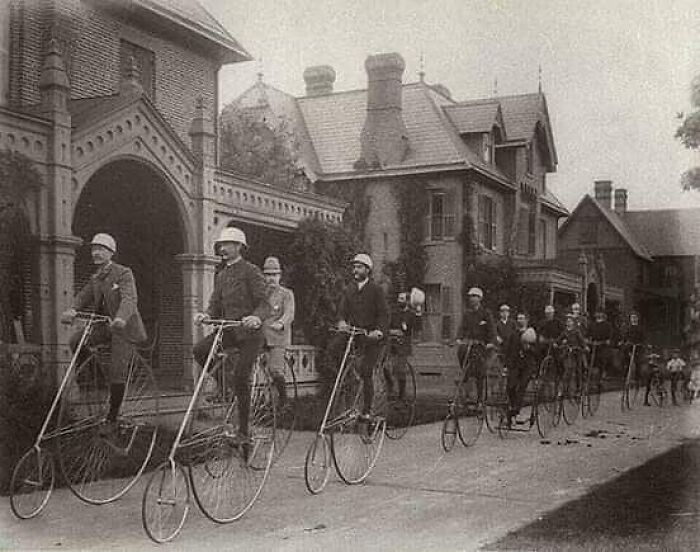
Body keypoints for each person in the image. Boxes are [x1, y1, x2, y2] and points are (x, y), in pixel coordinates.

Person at [61, 233, 147, 428]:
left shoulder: (123, 273)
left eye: (101, 249)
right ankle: (99, 379)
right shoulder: (97, 277)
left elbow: (129, 299)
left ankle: (113, 417)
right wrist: (73, 309)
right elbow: (84, 296)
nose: (96, 253)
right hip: (106, 327)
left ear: (111, 252)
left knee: (117, 371)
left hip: (124, 328)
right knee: (76, 340)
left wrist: (121, 317)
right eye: (94, 249)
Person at [193, 227, 268, 443]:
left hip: (251, 335)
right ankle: (226, 388)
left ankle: (244, 431)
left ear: (239, 247)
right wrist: (205, 315)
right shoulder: (222, 275)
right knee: (199, 350)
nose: (222, 248)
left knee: (242, 377)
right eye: (220, 245)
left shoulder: (251, 271)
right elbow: (215, 304)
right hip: (229, 331)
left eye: (227, 245)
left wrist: (256, 317)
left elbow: (264, 303)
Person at [328, 253, 388, 420]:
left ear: (367, 270)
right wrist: (341, 322)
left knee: (367, 370)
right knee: (332, 349)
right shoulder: (349, 290)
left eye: (359, 267)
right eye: (354, 267)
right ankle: (349, 376)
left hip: (371, 337)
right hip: (354, 333)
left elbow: (384, 314)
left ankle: (367, 411)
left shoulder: (376, 290)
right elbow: (342, 311)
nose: (355, 270)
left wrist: (379, 331)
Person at [262, 256, 295, 405]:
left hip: (278, 338)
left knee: (275, 370)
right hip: (260, 337)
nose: (271, 279)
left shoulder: (286, 294)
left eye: (274, 275)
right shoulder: (260, 294)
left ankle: (283, 400)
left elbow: (289, 313)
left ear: (279, 276)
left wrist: (281, 322)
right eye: (268, 275)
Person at [455, 287, 496, 402]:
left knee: (479, 369)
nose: (472, 299)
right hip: (470, 344)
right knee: (461, 351)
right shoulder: (467, 314)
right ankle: (465, 373)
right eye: (470, 297)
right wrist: (459, 338)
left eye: (474, 296)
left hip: (482, 345)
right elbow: (462, 328)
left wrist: (491, 342)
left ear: (480, 299)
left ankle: (479, 398)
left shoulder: (486, 313)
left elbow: (492, 329)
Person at [386, 291, 421, 401]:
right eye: (398, 298)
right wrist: (393, 331)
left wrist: (419, 314)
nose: (399, 301)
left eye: (401, 299)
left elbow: (418, 328)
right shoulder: (394, 313)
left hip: (403, 346)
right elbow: (386, 327)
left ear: (407, 301)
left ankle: (401, 394)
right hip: (391, 344)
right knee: (385, 367)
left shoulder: (410, 315)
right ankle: (390, 386)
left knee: (400, 370)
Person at [506, 312, 538, 425]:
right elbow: (508, 351)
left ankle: (516, 411)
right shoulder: (513, 334)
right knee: (510, 386)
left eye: (522, 319)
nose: (520, 321)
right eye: (518, 318)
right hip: (515, 365)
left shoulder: (531, 334)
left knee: (521, 386)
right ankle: (513, 408)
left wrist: (529, 348)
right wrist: (506, 365)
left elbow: (537, 352)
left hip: (528, 366)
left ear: (527, 320)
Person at [621, 311, 647, 388]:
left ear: (638, 319)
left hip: (638, 347)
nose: (633, 319)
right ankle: (626, 378)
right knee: (627, 361)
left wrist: (642, 344)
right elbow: (625, 337)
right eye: (632, 318)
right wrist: (625, 342)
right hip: (630, 347)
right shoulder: (628, 328)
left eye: (635, 317)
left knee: (638, 363)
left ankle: (637, 379)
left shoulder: (640, 328)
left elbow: (643, 338)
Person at [588, 310, 614, 379]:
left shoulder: (607, 325)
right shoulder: (592, 324)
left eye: (600, 313)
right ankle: (592, 376)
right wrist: (589, 340)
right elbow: (588, 334)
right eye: (597, 313)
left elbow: (610, 336)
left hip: (603, 345)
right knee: (592, 360)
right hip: (594, 345)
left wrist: (608, 341)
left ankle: (603, 374)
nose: (598, 315)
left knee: (603, 360)